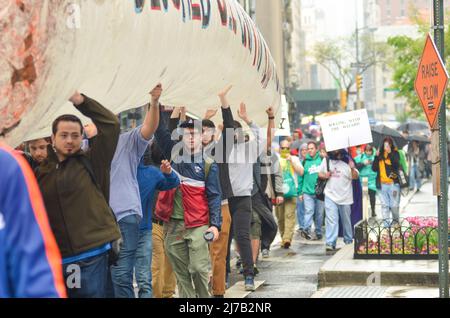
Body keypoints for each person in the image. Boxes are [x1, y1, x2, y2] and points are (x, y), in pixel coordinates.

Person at [35, 92, 122, 298]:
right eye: (64, 135)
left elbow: (111, 125)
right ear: (53, 139)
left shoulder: (93, 161)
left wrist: (80, 101)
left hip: (92, 254)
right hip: (57, 260)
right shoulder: (40, 173)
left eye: (75, 135)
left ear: (82, 137)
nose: (70, 140)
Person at [154, 107, 222, 298]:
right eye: (186, 134)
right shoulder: (173, 155)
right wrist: (156, 103)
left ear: (202, 137)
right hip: (173, 224)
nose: (190, 137)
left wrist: (215, 225)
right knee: (182, 274)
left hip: (198, 224)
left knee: (199, 269)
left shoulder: (209, 163)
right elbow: (159, 130)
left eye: (194, 134)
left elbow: (215, 196)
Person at [109, 85, 161, 298]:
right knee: (111, 276)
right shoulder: (88, 146)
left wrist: (154, 102)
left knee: (122, 274)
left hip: (125, 216)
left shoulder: (127, 141)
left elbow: (149, 127)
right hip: (101, 220)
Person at [0, 143, 67, 298]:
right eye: (34, 148)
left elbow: (33, 268)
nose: (38, 153)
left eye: (42, 148)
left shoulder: (6, 166)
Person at [218, 86, 266, 291]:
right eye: (232, 132)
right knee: (223, 237)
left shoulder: (249, 148)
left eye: (238, 131)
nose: (235, 135)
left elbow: (262, 138)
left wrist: (248, 120)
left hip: (243, 199)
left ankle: (248, 274)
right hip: (224, 199)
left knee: (242, 235)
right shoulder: (222, 149)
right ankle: (224, 274)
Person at [135, 145, 180, 298]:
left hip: (170, 221)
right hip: (154, 221)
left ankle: (167, 293)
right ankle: (157, 295)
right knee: (158, 261)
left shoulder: (170, 171)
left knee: (169, 260)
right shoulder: (149, 172)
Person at [318, 149, 359, 251]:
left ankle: (348, 240)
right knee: (331, 220)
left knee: (346, 221)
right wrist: (325, 175)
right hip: (330, 195)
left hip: (345, 197)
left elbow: (355, 177)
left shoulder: (348, 160)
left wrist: (352, 168)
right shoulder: (326, 160)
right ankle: (330, 242)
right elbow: (319, 174)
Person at [277, 140, 303, 249]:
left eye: (287, 148)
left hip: (292, 192)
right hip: (279, 193)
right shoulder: (276, 159)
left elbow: (301, 172)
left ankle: (287, 238)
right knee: (280, 217)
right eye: (283, 148)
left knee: (289, 215)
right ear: (279, 149)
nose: (285, 150)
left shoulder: (295, 158)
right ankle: (283, 237)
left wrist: (291, 161)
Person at [372, 137, 402, 227]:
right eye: (385, 145)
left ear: (391, 145)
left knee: (394, 206)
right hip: (382, 185)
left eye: (388, 144)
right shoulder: (379, 155)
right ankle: (386, 225)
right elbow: (374, 169)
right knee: (384, 205)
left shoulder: (395, 153)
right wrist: (376, 157)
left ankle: (395, 222)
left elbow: (396, 165)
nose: (387, 146)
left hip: (393, 184)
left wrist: (390, 153)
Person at [299, 141, 324, 240]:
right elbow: (300, 178)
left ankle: (318, 231)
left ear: (316, 149)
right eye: (308, 148)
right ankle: (306, 230)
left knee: (319, 213)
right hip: (307, 192)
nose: (310, 150)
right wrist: (300, 192)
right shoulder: (304, 162)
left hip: (319, 192)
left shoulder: (322, 160)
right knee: (309, 211)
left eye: (312, 148)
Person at [355, 145, 378, 218]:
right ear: (364, 151)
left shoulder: (375, 158)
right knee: (364, 197)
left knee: (372, 197)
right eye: (367, 151)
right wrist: (363, 163)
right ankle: (363, 212)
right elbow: (355, 166)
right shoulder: (360, 157)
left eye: (370, 150)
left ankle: (373, 210)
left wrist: (374, 163)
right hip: (363, 180)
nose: (368, 152)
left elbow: (378, 167)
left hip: (372, 180)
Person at [296, 143, 308, 233]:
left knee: (309, 209)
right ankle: (301, 226)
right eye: (302, 150)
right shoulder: (297, 161)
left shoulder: (310, 161)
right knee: (300, 208)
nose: (304, 151)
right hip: (299, 187)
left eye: (306, 149)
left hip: (309, 188)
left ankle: (307, 225)